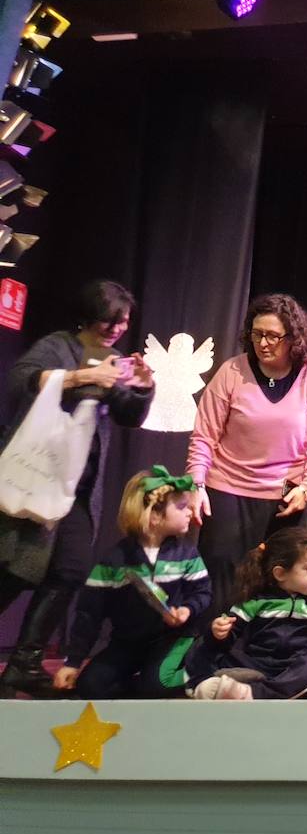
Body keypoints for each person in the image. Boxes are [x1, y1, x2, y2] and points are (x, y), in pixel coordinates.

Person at [0, 279, 154, 697]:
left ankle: (24, 664)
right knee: (14, 572)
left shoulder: (116, 359)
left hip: (80, 489)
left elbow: (127, 415)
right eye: (110, 320)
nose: (117, 329)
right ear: (90, 314)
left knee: (69, 571)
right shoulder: (59, 345)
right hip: (37, 478)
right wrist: (81, 376)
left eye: (123, 322)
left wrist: (141, 388)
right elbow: (20, 380)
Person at [186, 293, 307, 617]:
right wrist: (196, 485)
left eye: (273, 335)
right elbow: (204, 436)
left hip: (286, 492)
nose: (263, 343)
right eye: (257, 334)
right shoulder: (232, 372)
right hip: (229, 486)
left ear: (293, 338)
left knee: (286, 575)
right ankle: (213, 652)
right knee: (221, 575)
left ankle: (273, 652)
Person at [53, 467, 209, 699]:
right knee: (90, 686)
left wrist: (187, 610)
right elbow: (89, 614)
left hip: (171, 640)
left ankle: (202, 674)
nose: (189, 512)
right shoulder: (115, 560)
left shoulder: (186, 554)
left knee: (157, 686)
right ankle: (140, 683)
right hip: (127, 642)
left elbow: (202, 592)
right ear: (154, 515)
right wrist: (73, 662)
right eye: (181, 507)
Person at [185, 526, 307, 700]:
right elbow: (229, 637)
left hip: (294, 666)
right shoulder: (257, 601)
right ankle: (215, 683)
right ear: (280, 574)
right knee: (220, 656)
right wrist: (218, 632)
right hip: (258, 662)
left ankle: (251, 692)